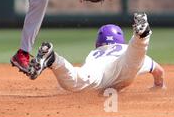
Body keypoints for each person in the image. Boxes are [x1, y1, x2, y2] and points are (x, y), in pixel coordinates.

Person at [28, 13, 166, 92]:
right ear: (120, 40)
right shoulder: (124, 48)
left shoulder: (94, 53)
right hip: (123, 63)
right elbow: (159, 71)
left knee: (76, 80)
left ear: (99, 41)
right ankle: (141, 36)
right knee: (135, 57)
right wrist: (158, 86)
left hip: (98, 72)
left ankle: (53, 59)